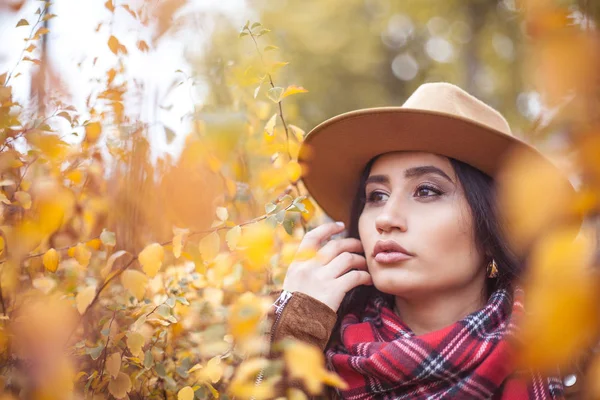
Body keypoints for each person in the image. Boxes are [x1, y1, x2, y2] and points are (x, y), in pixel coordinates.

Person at [264, 82, 582, 399]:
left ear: (494, 228)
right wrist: (294, 334)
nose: (386, 218)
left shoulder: (572, 363)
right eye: (376, 196)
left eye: (426, 191)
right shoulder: (314, 359)